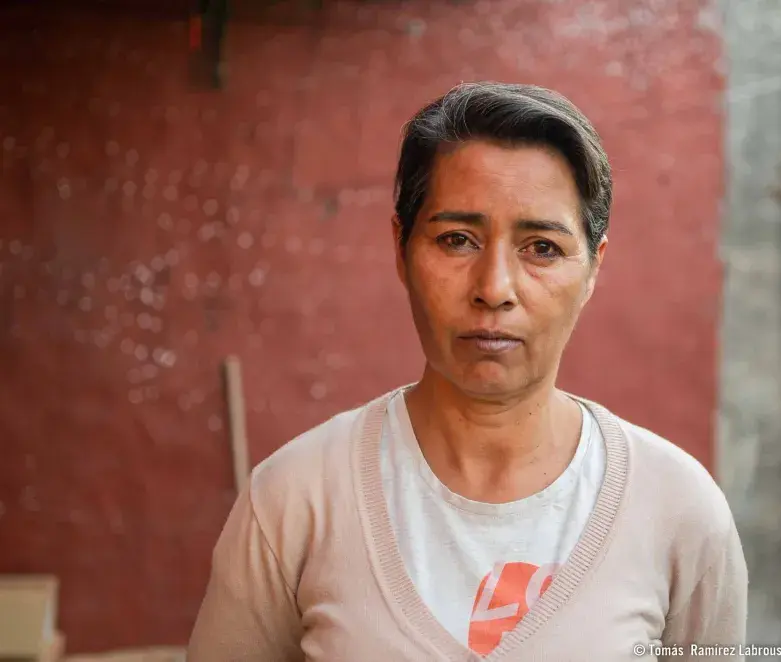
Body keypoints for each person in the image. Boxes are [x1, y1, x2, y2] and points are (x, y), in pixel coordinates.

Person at [187, 81, 748, 661]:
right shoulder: (295, 500)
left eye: (542, 248)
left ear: (593, 267)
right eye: (457, 240)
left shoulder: (678, 511)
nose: (494, 288)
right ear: (401, 248)